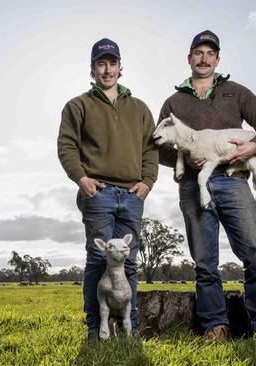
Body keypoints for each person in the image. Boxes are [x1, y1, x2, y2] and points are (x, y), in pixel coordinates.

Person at [158, 30, 256, 342]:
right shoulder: (174, 102)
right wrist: (186, 154)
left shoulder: (236, 93)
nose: (204, 58)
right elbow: (158, 146)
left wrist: (254, 147)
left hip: (233, 183)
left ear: (217, 59)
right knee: (204, 262)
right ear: (189, 59)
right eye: (198, 53)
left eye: (209, 53)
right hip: (192, 187)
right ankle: (214, 326)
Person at [57, 38, 158, 341]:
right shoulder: (78, 106)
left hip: (132, 194)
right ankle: (94, 328)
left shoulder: (139, 108)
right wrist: (82, 179)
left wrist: (147, 182)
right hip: (97, 192)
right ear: (92, 69)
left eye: (112, 63)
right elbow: (67, 145)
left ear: (120, 67)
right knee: (99, 259)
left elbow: (150, 149)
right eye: (101, 64)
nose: (107, 69)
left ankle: (130, 328)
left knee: (129, 262)